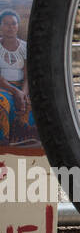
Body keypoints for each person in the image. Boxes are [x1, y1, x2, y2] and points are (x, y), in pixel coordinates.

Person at [0, 9, 35, 146]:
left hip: (22, 86)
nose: (10, 27)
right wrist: (15, 92)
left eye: (13, 24)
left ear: (18, 26)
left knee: (31, 103)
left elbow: (27, 75)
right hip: (2, 86)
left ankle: (21, 138)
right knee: (2, 103)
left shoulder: (25, 47)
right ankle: (4, 141)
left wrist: (23, 93)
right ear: (0, 26)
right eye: (6, 24)